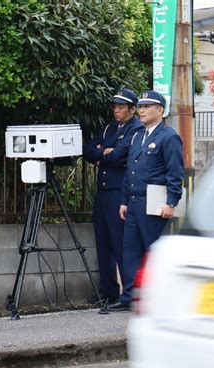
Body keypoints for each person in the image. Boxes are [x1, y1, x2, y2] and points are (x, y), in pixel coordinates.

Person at [106, 90, 184, 312]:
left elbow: (174, 172)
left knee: (153, 250)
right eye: (140, 107)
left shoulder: (168, 137)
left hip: (154, 202)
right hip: (134, 201)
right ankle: (130, 296)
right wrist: (124, 200)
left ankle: (160, 296)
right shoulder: (138, 136)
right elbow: (130, 169)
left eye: (146, 107)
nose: (141, 110)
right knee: (129, 251)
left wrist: (171, 202)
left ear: (160, 110)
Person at [83, 88, 144, 306]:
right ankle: (107, 291)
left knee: (120, 243)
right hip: (103, 191)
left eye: (121, 107)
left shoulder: (136, 129)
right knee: (102, 242)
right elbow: (88, 149)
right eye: (115, 106)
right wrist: (102, 152)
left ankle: (126, 293)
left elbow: (120, 156)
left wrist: (105, 153)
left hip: (119, 191)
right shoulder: (110, 127)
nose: (116, 110)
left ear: (132, 109)